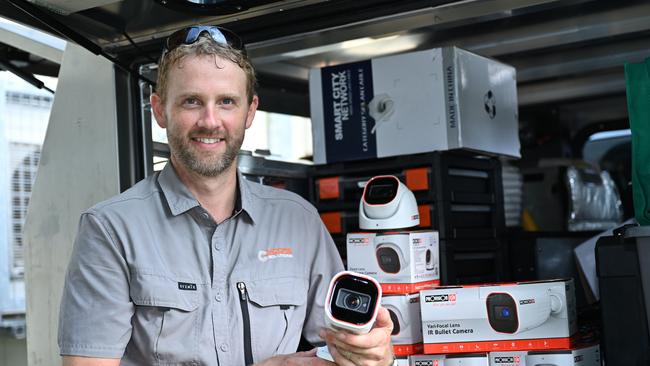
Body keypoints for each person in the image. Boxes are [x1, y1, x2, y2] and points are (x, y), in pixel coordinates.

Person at [57, 25, 395, 366]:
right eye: (192, 101)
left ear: (249, 112)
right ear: (159, 110)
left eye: (227, 102)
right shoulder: (111, 230)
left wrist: (373, 357)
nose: (210, 120)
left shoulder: (298, 220)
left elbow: (340, 349)